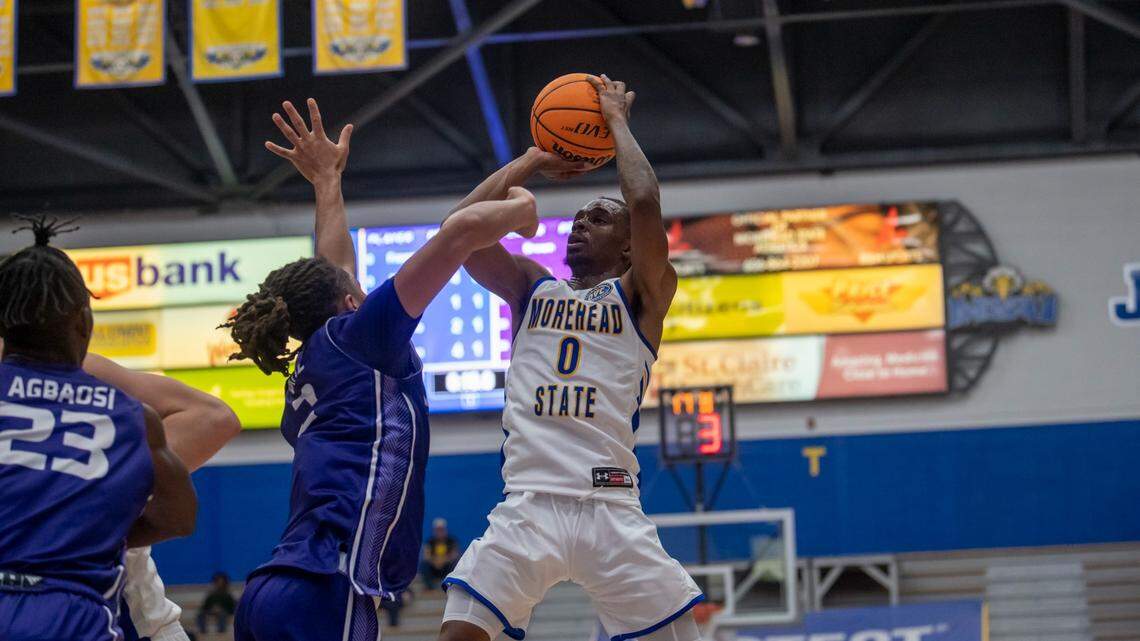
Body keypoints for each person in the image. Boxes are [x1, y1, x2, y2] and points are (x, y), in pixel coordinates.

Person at [228, 98, 558, 641]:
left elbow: (332, 263)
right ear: (353, 304)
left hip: (274, 587)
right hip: (328, 588)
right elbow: (458, 234)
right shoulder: (361, 337)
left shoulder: (316, 358)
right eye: (355, 288)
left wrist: (328, 181)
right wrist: (522, 208)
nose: (360, 285)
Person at [436, 75, 705, 641]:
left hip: (610, 503)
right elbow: (457, 232)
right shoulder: (533, 288)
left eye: (599, 219)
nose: (580, 224)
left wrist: (616, 124)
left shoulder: (642, 295)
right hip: (530, 503)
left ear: (631, 245)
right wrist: (531, 160)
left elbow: (646, 200)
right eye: (577, 218)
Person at [0, 216, 198, 641]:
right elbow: (181, 517)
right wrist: (108, 537)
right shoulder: (133, 417)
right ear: (84, 323)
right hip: (70, 614)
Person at [422, 518, 460, 591]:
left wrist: (442, 561)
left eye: (441, 530)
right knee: (424, 565)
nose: (440, 532)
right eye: (437, 530)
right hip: (434, 566)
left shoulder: (451, 541)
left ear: (445, 530)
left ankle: (450, 586)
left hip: (446, 566)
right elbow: (426, 556)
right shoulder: (429, 542)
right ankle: (430, 587)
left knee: (455, 564)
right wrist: (435, 561)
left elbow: (454, 555)